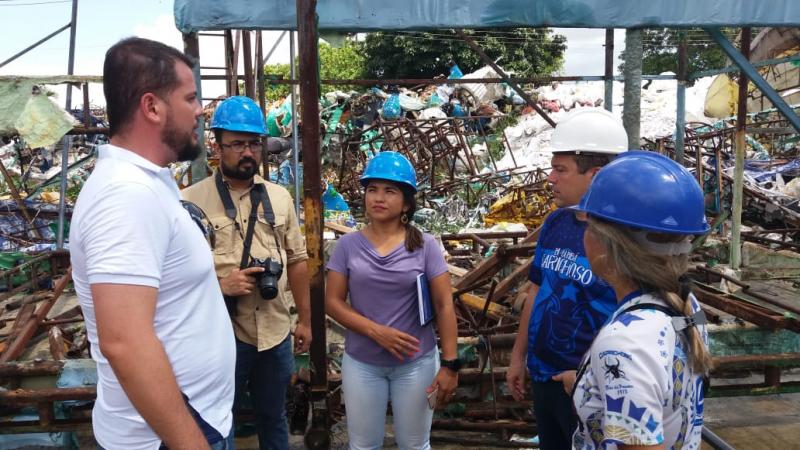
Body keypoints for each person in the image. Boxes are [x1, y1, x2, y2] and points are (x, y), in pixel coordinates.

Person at [70, 37, 235, 449]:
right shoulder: (125, 196)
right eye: (191, 98)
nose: (200, 111)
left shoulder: (147, 184)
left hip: (194, 419)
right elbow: (124, 342)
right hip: (171, 434)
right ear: (152, 107)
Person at [182, 95, 311, 450]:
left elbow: (298, 260)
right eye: (237, 143)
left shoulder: (280, 198)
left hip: (274, 332)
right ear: (217, 145)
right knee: (219, 418)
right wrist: (221, 286)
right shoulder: (190, 201)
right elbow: (177, 279)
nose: (247, 152)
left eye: (254, 143)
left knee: (274, 416)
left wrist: (306, 321)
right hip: (222, 336)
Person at [570, 150, 712, 449]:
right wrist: (592, 386)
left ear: (605, 243)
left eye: (587, 224)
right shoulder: (688, 307)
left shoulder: (624, 344)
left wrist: (610, 369)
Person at [505, 108, 629, 450]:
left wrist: (590, 380)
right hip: (545, 377)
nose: (550, 178)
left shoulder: (622, 240)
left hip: (590, 388)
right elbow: (537, 290)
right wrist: (519, 357)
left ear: (597, 175)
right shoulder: (556, 223)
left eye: (560, 170)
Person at [325, 151, 459, 450]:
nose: (378, 197)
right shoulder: (347, 246)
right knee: (362, 445)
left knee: (414, 444)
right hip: (362, 363)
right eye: (372, 189)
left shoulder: (425, 246)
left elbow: (444, 305)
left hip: (416, 363)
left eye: (390, 190)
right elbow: (333, 302)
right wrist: (376, 332)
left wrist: (450, 365)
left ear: (407, 201)